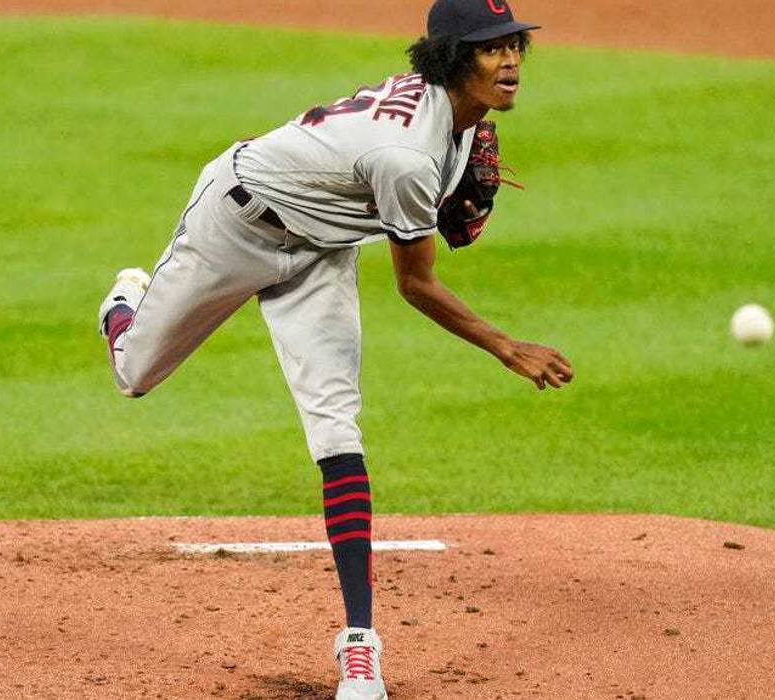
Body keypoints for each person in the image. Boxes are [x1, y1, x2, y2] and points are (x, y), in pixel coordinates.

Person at [96, 1, 571, 697]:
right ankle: (124, 302)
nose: (508, 61)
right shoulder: (408, 157)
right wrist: (505, 347)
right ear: (449, 59)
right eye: (488, 49)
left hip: (320, 248)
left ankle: (359, 648)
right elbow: (415, 284)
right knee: (133, 374)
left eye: (513, 45)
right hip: (235, 222)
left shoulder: (465, 125)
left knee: (335, 427)